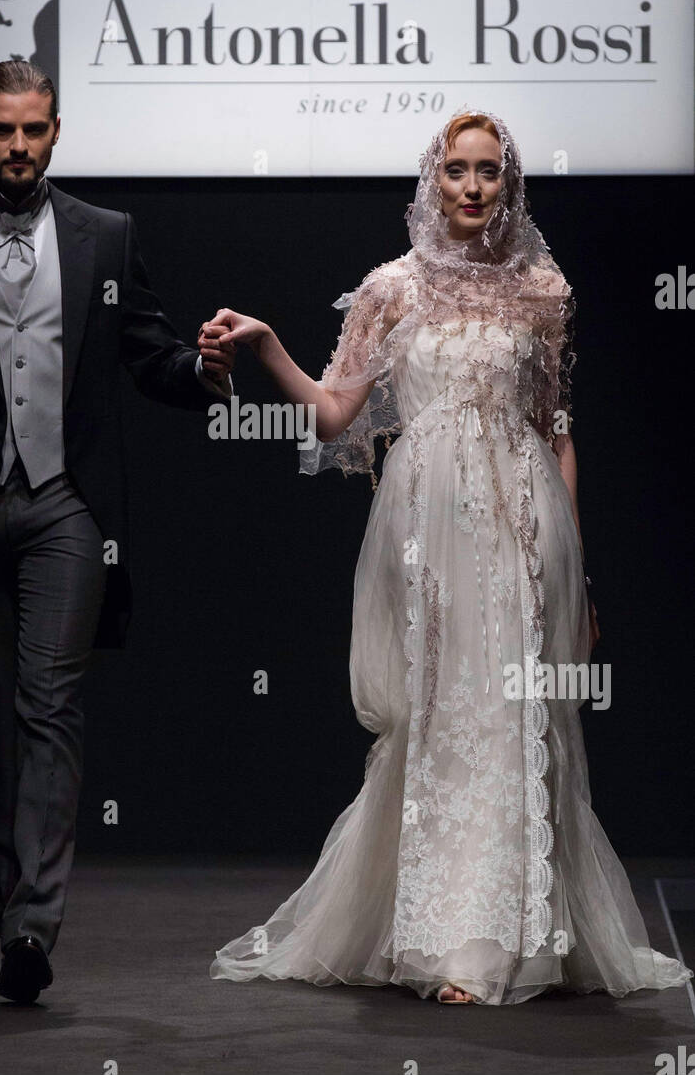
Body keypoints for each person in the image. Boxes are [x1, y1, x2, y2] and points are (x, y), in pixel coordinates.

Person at [201, 109, 693, 1006]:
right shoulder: (392, 287)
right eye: (457, 169)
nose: (472, 186)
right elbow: (333, 416)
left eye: (489, 170)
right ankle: (446, 936)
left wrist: (576, 570)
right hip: (425, 527)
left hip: (523, 524)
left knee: (513, 717)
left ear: (509, 183)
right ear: (433, 179)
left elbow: (556, 430)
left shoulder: (542, 289)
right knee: (443, 714)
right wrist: (267, 344)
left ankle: (499, 939)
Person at [0, 59, 235, 1003]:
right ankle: (10, 912)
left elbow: (148, 354)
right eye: (0, 130)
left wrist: (203, 371)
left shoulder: (106, 234)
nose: (17, 146)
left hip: (67, 505)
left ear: (57, 130)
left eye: (33, 129)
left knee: (49, 702)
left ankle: (32, 923)